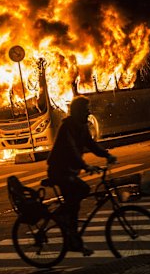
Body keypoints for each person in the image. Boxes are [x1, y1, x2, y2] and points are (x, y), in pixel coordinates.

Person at [47, 96, 117, 255]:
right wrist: (85, 166)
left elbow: (91, 145)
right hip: (59, 171)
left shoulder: (82, 126)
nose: (88, 112)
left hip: (69, 171)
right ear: (78, 111)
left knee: (76, 201)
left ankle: (72, 239)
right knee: (80, 191)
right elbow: (70, 150)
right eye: (86, 110)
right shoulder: (67, 127)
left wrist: (106, 155)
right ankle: (60, 215)